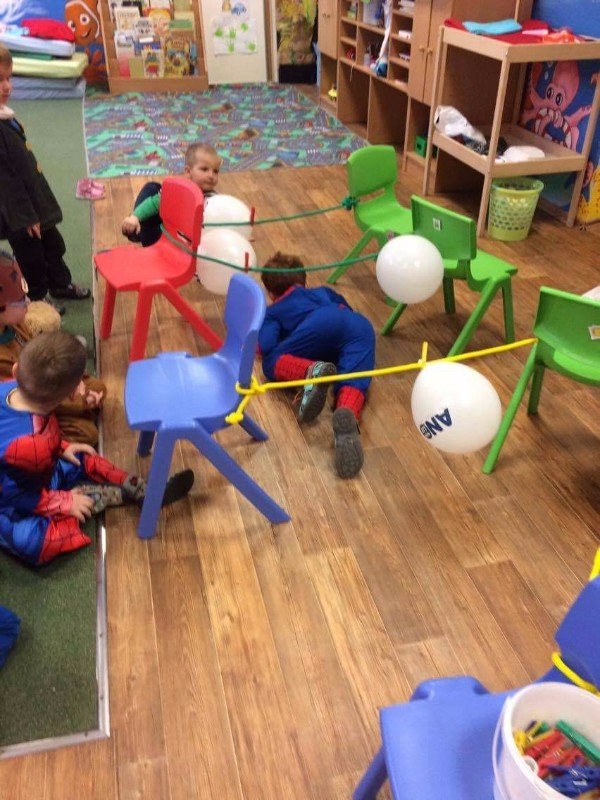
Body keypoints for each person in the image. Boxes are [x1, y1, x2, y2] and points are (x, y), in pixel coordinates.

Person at [0, 330, 194, 565]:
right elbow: (15, 495)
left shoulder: (10, 387)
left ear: (16, 370)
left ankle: (139, 488)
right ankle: (99, 496)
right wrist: (65, 502)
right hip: (12, 501)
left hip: (35, 474)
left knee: (82, 454)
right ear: (72, 395)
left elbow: (33, 435)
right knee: (36, 543)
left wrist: (62, 447)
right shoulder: (30, 447)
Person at [258, 252, 376, 479]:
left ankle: (310, 371)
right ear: (304, 281)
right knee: (354, 375)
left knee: (272, 360)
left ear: (271, 293)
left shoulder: (273, 312)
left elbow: (266, 346)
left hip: (319, 324)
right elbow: (345, 309)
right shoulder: (323, 291)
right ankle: (347, 411)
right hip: (358, 324)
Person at [0, 46, 90, 312]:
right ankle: (38, 299)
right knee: (32, 258)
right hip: (18, 213)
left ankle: (60, 283)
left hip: (34, 201)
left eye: (8, 78)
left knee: (53, 245)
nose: (7, 86)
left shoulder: (5, 115)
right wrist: (26, 217)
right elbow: (6, 183)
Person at [0, 250, 104, 446]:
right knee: (87, 432)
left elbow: (41, 352)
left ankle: (80, 409)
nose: (27, 302)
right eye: (20, 300)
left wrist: (76, 383)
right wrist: (80, 400)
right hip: (31, 407)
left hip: (44, 384)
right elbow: (28, 399)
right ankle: (55, 438)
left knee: (97, 387)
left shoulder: (13, 323)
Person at [121, 142, 221, 247]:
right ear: (188, 171)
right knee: (152, 188)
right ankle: (136, 227)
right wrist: (135, 217)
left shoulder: (215, 200)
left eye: (216, 171)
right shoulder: (179, 189)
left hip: (187, 246)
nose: (211, 175)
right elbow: (154, 203)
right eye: (204, 169)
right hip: (162, 238)